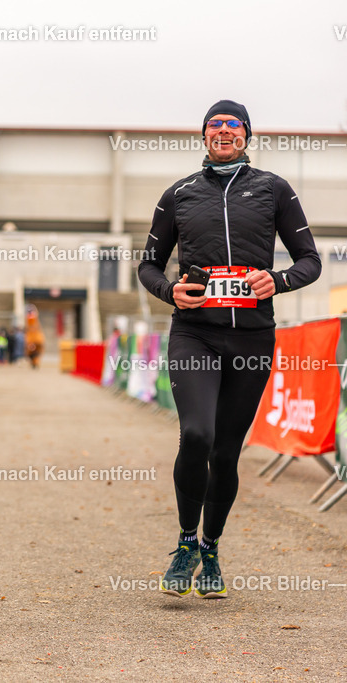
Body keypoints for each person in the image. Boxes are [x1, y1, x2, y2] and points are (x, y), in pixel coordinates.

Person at [139, 100, 321, 599]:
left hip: (252, 338)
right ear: (204, 136)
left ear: (246, 135)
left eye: (232, 125)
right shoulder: (178, 195)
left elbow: (310, 261)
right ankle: (185, 544)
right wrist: (167, 290)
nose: (223, 131)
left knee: (225, 452)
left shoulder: (273, 189)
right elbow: (149, 266)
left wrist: (278, 280)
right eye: (214, 125)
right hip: (194, 333)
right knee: (196, 434)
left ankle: (212, 548)